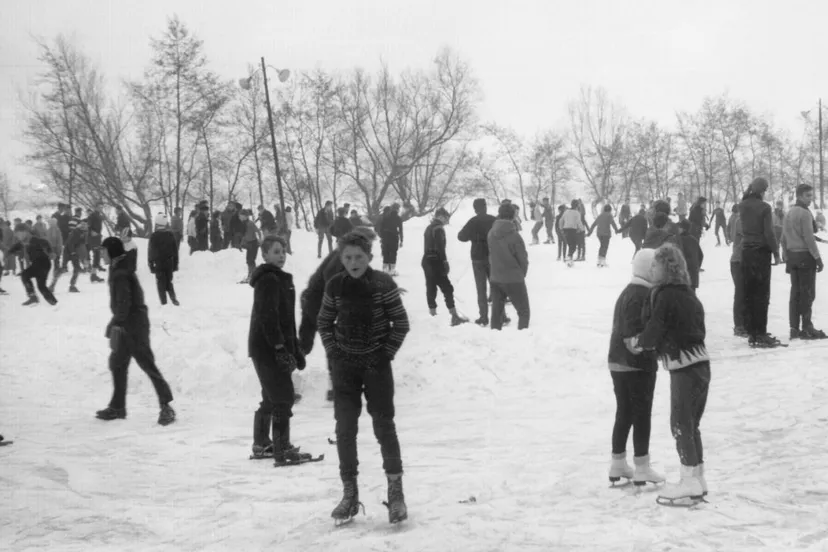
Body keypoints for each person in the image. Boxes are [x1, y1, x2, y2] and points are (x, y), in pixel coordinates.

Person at [316, 231, 410, 524]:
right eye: (347, 257)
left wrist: (384, 355)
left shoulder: (382, 284)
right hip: (345, 369)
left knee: (384, 427)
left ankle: (396, 494)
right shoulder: (335, 285)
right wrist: (335, 354)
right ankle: (349, 494)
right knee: (345, 430)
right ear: (341, 259)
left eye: (359, 257)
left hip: (376, 368)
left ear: (369, 257)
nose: (353, 262)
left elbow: (401, 323)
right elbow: (324, 322)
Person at [626, 243, 710, 505]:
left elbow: (655, 329)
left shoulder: (664, 295)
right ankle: (697, 477)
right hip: (701, 365)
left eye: (656, 264)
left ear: (667, 267)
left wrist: (638, 343)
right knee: (691, 424)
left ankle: (689, 482)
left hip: (684, 368)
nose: (652, 269)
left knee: (680, 424)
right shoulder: (688, 293)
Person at [96, 237, 176, 426]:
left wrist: (114, 323)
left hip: (134, 326)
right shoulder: (117, 268)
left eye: (103, 251)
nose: (101, 254)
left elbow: (124, 303)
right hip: (127, 323)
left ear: (111, 252)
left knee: (147, 364)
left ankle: (166, 406)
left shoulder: (121, 273)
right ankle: (117, 407)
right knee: (117, 363)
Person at [247, 235, 310, 463]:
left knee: (271, 397)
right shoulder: (269, 280)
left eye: (283, 251)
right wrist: (280, 347)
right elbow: (268, 317)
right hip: (267, 349)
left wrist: (295, 350)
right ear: (264, 255)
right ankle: (282, 448)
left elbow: (286, 321)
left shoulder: (279, 279)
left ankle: (262, 443)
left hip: (267, 348)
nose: (281, 255)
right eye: (275, 252)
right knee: (283, 397)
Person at [298, 227, 379, 402]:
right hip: (317, 303)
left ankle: (283, 378)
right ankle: (336, 387)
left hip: (313, 300)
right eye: (369, 243)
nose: (370, 247)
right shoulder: (341, 257)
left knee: (306, 343)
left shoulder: (345, 255)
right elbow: (333, 281)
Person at [606, 248, 664, 487]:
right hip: (636, 364)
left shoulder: (628, 291)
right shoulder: (643, 295)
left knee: (625, 412)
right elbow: (635, 333)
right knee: (641, 413)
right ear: (649, 269)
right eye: (656, 267)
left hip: (617, 361)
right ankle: (642, 466)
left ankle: (618, 462)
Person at [739, 177, 783, 348]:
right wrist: (776, 253)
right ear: (763, 191)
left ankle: (752, 332)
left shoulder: (742, 205)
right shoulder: (764, 207)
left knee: (749, 293)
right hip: (761, 253)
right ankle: (761, 332)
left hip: (746, 252)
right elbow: (769, 233)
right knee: (762, 295)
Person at [781, 184, 826, 340]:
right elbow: (808, 238)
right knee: (807, 293)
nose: (810, 199)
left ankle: (794, 328)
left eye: (811, 195)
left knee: (795, 293)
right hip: (805, 257)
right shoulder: (805, 213)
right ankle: (807, 327)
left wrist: (786, 257)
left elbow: (783, 238)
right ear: (799, 196)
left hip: (793, 257)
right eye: (807, 195)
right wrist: (818, 258)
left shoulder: (789, 213)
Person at [487, 203, 530, 330]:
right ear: (513, 216)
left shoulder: (491, 233)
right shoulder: (514, 235)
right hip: (513, 278)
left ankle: (494, 337)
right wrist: (521, 274)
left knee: (496, 313)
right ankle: (523, 336)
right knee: (523, 311)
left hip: (495, 277)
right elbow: (523, 259)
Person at [422, 207, 466, 326]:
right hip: (436, 261)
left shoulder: (429, 227)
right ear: (441, 216)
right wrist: (444, 262)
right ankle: (454, 316)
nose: (447, 221)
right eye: (446, 218)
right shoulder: (438, 229)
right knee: (447, 288)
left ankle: (432, 314)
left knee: (431, 287)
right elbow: (440, 247)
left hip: (426, 260)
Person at [457, 198, 497, 326]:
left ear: (475, 209)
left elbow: (461, 236)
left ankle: (483, 317)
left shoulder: (472, 222)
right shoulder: (493, 220)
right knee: (496, 287)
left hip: (477, 258)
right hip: (492, 257)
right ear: (485, 207)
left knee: (481, 289)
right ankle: (501, 316)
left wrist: (473, 236)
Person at [8, 223, 57, 306]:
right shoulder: (23, 242)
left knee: (25, 275)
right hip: (40, 264)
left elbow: (45, 242)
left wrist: (50, 252)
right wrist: (8, 253)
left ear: (25, 232)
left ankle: (33, 297)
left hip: (42, 262)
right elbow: (15, 247)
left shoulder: (34, 240)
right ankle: (54, 303)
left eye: (18, 233)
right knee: (41, 286)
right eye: (16, 234)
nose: (17, 236)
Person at [148, 214, 180, 306]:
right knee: (169, 281)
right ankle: (173, 298)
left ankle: (164, 302)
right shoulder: (170, 235)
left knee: (160, 282)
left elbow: (151, 252)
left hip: (159, 263)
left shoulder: (154, 236)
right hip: (169, 262)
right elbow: (175, 251)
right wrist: (175, 264)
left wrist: (150, 264)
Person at [729, 206, 747, 337]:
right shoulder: (740, 221)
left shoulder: (742, 220)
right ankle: (739, 326)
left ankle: (744, 324)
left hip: (743, 261)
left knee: (745, 293)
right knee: (740, 293)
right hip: (738, 261)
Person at [677, 220, 704, 293]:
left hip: (683, 275)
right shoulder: (694, 240)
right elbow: (701, 255)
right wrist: (696, 267)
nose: (678, 229)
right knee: (692, 296)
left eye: (679, 227)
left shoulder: (679, 240)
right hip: (693, 275)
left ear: (683, 229)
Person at [379, 204, 404, 276]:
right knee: (393, 253)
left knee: (386, 252)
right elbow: (401, 229)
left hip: (386, 237)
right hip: (394, 237)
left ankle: (385, 269)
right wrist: (401, 240)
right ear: (397, 209)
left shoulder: (385, 217)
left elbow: (381, 228)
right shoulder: (398, 218)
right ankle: (392, 269)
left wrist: (382, 237)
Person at [559, 200, 585, 265]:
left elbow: (561, 220)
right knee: (573, 246)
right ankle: (569, 257)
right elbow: (579, 222)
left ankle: (570, 260)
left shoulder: (566, 212)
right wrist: (582, 230)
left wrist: (561, 229)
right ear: (577, 205)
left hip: (565, 230)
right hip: (572, 230)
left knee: (570, 245)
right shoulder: (577, 213)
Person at [240, 209, 261, 283]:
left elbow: (258, 231)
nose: (240, 217)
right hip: (249, 244)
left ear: (246, 216)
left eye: (241, 215)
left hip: (253, 243)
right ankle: (251, 275)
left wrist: (259, 240)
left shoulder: (250, 223)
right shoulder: (243, 223)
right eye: (240, 215)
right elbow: (244, 235)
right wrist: (242, 243)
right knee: (249, 260)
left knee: (251, 260)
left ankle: (252, 276)